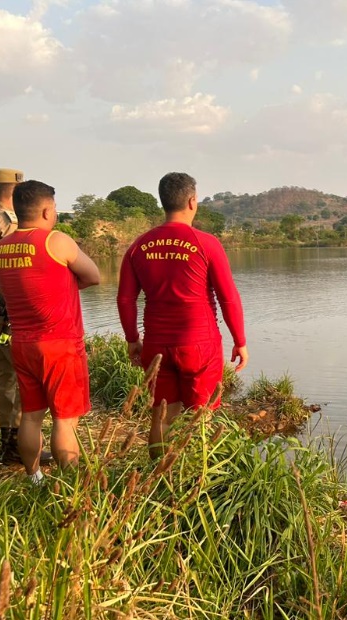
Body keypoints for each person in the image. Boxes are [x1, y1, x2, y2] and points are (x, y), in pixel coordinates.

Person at [117, 172, 248, 458]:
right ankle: (199, 480)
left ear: (163, 202)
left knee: (162, 415)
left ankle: (158, 478)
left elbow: (126, 299)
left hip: (156, 345)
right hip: (199, 344)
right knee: (202, 416)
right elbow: (228, 298)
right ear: (192, 201)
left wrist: (131, 338)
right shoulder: (206, 243)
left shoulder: (139, 245)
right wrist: (240, 340)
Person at [0, 180, 100, 483]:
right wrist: (66, 283)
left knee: (31, 415)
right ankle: (72, 484)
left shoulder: (0, 248)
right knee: (65, 420)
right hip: (59, 344)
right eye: (53, 209)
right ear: (45, 210)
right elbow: (93, 275)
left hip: (22, 343)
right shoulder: (56, 241)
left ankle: (34, 476)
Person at [0, 168, 50, 466]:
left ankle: (7, 443)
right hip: (9, 309)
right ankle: (19, 445)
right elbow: (20, 268)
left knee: (4, 375)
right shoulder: (8, 223)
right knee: (23, 377)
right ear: (15, 191)